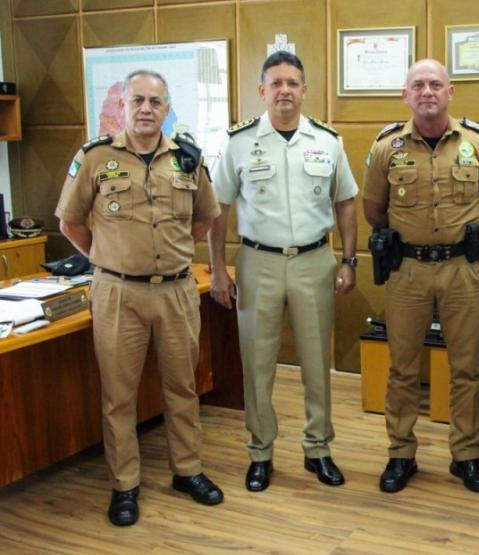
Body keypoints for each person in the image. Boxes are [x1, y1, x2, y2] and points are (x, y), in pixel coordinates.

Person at [56, 69, 223, 526]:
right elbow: (69, 223)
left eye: (155, 101)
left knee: (182, 388)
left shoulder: (187, 160)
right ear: (122, 107)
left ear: (168, 109)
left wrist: (167, 256)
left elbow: (204, 219)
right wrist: (108, 258)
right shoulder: (94, 158)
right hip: (117, 294)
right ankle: (124, 484)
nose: (146, 109)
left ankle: (187, 471)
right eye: (138, 101)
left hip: (176, 292)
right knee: (119, 395)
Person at [208, 51, 358, 492]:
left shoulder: (328, 141)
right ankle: (260, 452)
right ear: (262, 91)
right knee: (257, 363)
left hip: (315, 261)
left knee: (316, 362)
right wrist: (218, 270)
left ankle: (318, 448)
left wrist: (349, 260)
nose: (285, 91)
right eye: (276, 83)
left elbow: (345, 201)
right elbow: (219, 210)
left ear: (305, 89)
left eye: (293, 82)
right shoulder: (238, 142)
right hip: (259, 262)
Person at [363, 59, 479, 494]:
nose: (427, 91)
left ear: (451, 92)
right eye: (418, 85)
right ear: (405, 95)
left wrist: (469, 238)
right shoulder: (386, 148)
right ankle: (401, 454)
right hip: (407, 271)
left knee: (465, 368)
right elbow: (374, 210)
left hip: (461, 269)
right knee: (402, 369)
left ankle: (465, 456)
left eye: (435, 84)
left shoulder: (478, 144)